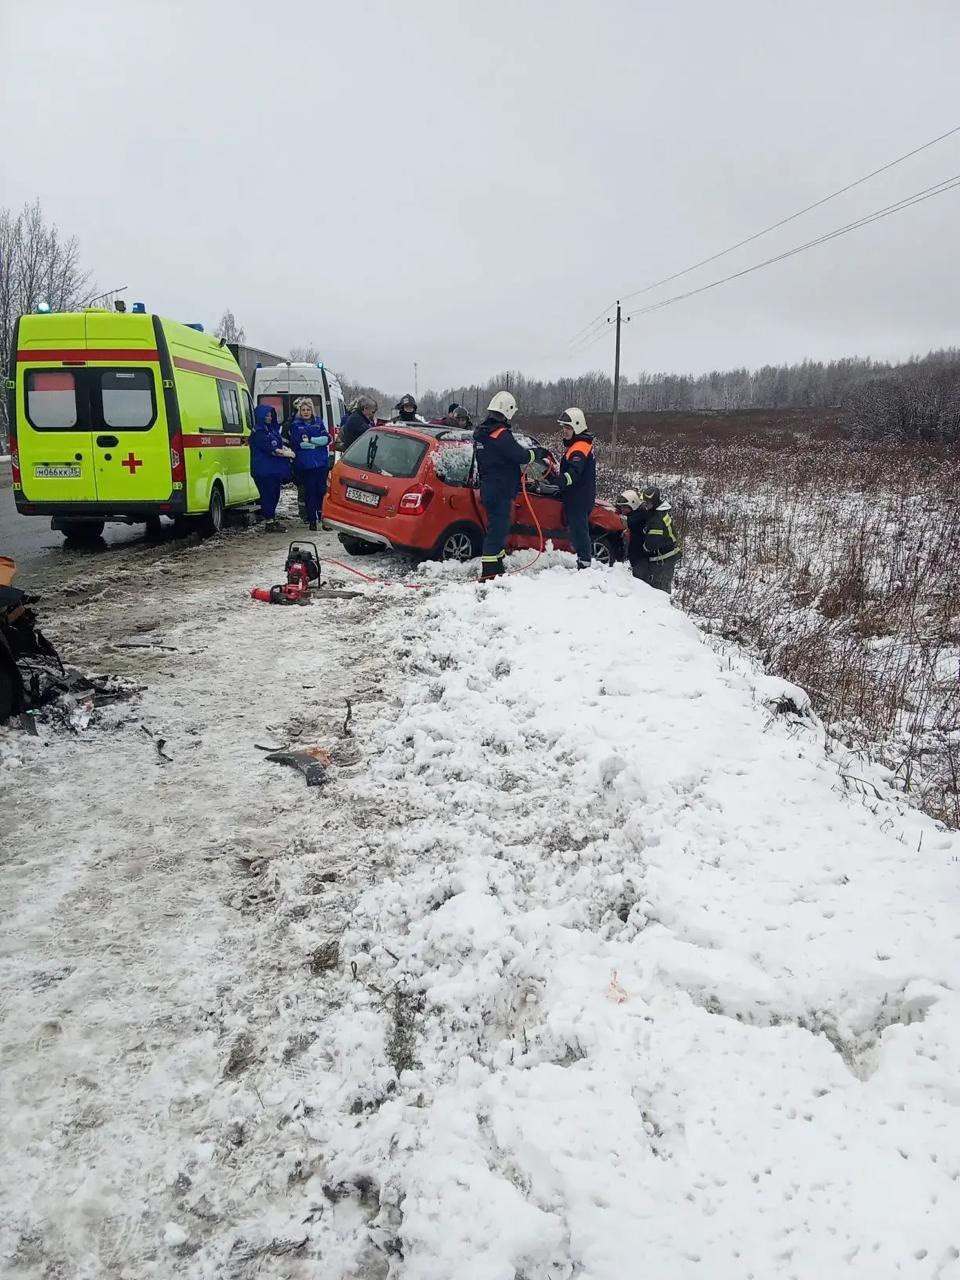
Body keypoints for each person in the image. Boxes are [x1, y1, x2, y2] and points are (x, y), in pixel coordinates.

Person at [473, 391, 547, 581]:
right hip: (501, 489)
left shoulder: (483, 434)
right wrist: (537, 453)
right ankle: (489, 573)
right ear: (508, 411)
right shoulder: (500, 434)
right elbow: (520, 456)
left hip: (489, 487)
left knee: (497, 529)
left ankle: (497, 567)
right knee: (497, 532)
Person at [619, 485, 682, 592]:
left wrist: (643, 549)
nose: (646, 505)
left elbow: (652, 543)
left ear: (654, 502)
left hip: (664, 558)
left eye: (648, 503)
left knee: (661, 590)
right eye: (645, 502)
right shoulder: (658, 512)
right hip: (667, 554)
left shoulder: (656, 520)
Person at [556, 407, 596, 569]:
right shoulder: (578, 445)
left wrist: (558, 480)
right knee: (577, 529)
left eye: (568, 427)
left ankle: (584, 564)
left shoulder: (580, 447)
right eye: (564, 427)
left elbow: (574, 473)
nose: (564, 431)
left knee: (579, 530)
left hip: (579, 498)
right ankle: (582, 560)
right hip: (577, 495)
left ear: (577, 427)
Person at [250, 404, 294, 531]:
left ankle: (272, 519)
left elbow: (278, 444)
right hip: (263, 470)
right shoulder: (259, 432)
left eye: (270, 415)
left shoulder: (271, 430)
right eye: (266, 415)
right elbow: (272, 449)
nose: (269, 418)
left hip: (273, 469)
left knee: (274, 494)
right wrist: (287, 453)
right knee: (267, 495)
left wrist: (285, 449)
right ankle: (269, 521)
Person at [288, 397, 330, 531]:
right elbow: (299, 444)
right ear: (300, 411)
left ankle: (324, 518)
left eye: (308, 409)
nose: (306, 412)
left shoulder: (318, 422)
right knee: (310, 492)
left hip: (321, 463)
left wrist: (311, 440)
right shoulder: (296, 425)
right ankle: (312, 520)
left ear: (312, 411)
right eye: (303, 410)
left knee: (322, 492)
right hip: (306, 465)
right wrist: (316, 444)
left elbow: (326, 439)